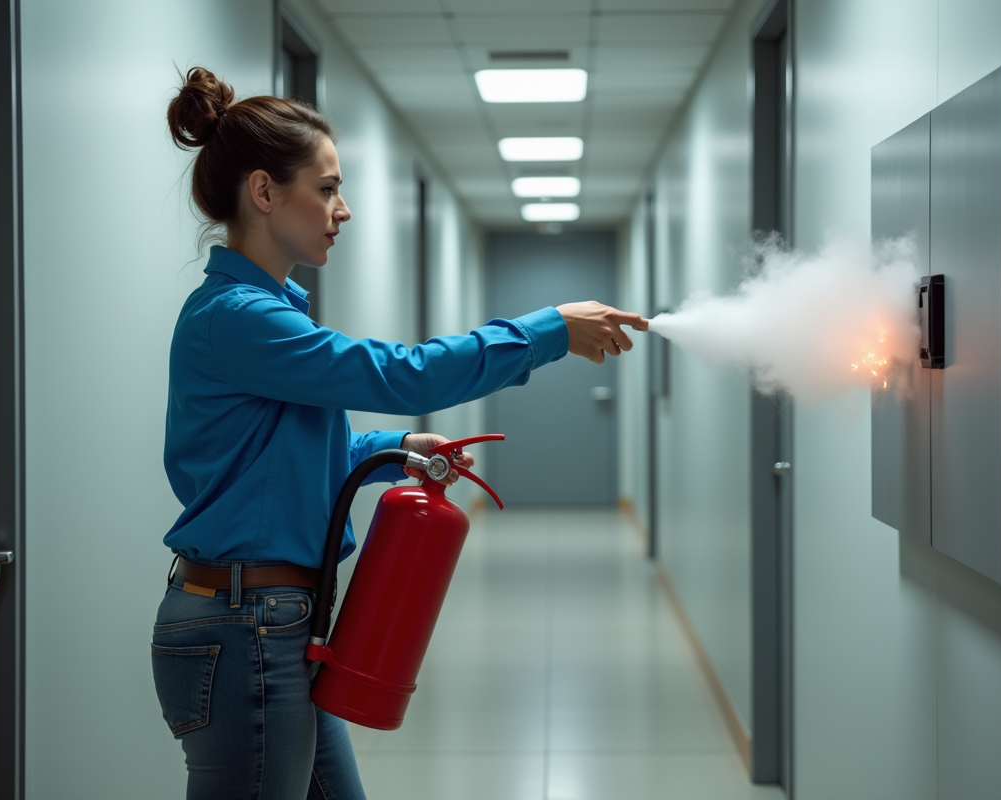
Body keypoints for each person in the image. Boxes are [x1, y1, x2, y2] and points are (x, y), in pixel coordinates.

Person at [151, 66, 648, 800]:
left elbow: (286, 459)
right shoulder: (239, 318)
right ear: (263, 192)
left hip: (275, 624)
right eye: (326, 189)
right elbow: (403, 374)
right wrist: (547, 332)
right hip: (244, 629)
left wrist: (394, 451)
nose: (342, 210)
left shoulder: (267, 313)